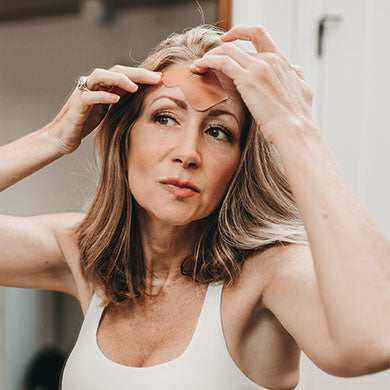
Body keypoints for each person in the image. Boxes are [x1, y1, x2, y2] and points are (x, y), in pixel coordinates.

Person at [1, 24, 389, 390]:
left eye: (218, 131)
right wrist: (52, 138)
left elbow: (374, 339)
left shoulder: (270, 273)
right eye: (165, 117)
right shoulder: (84, 255)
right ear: (126, 137)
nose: (188, 153)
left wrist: (295, 128)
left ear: (240, 160)